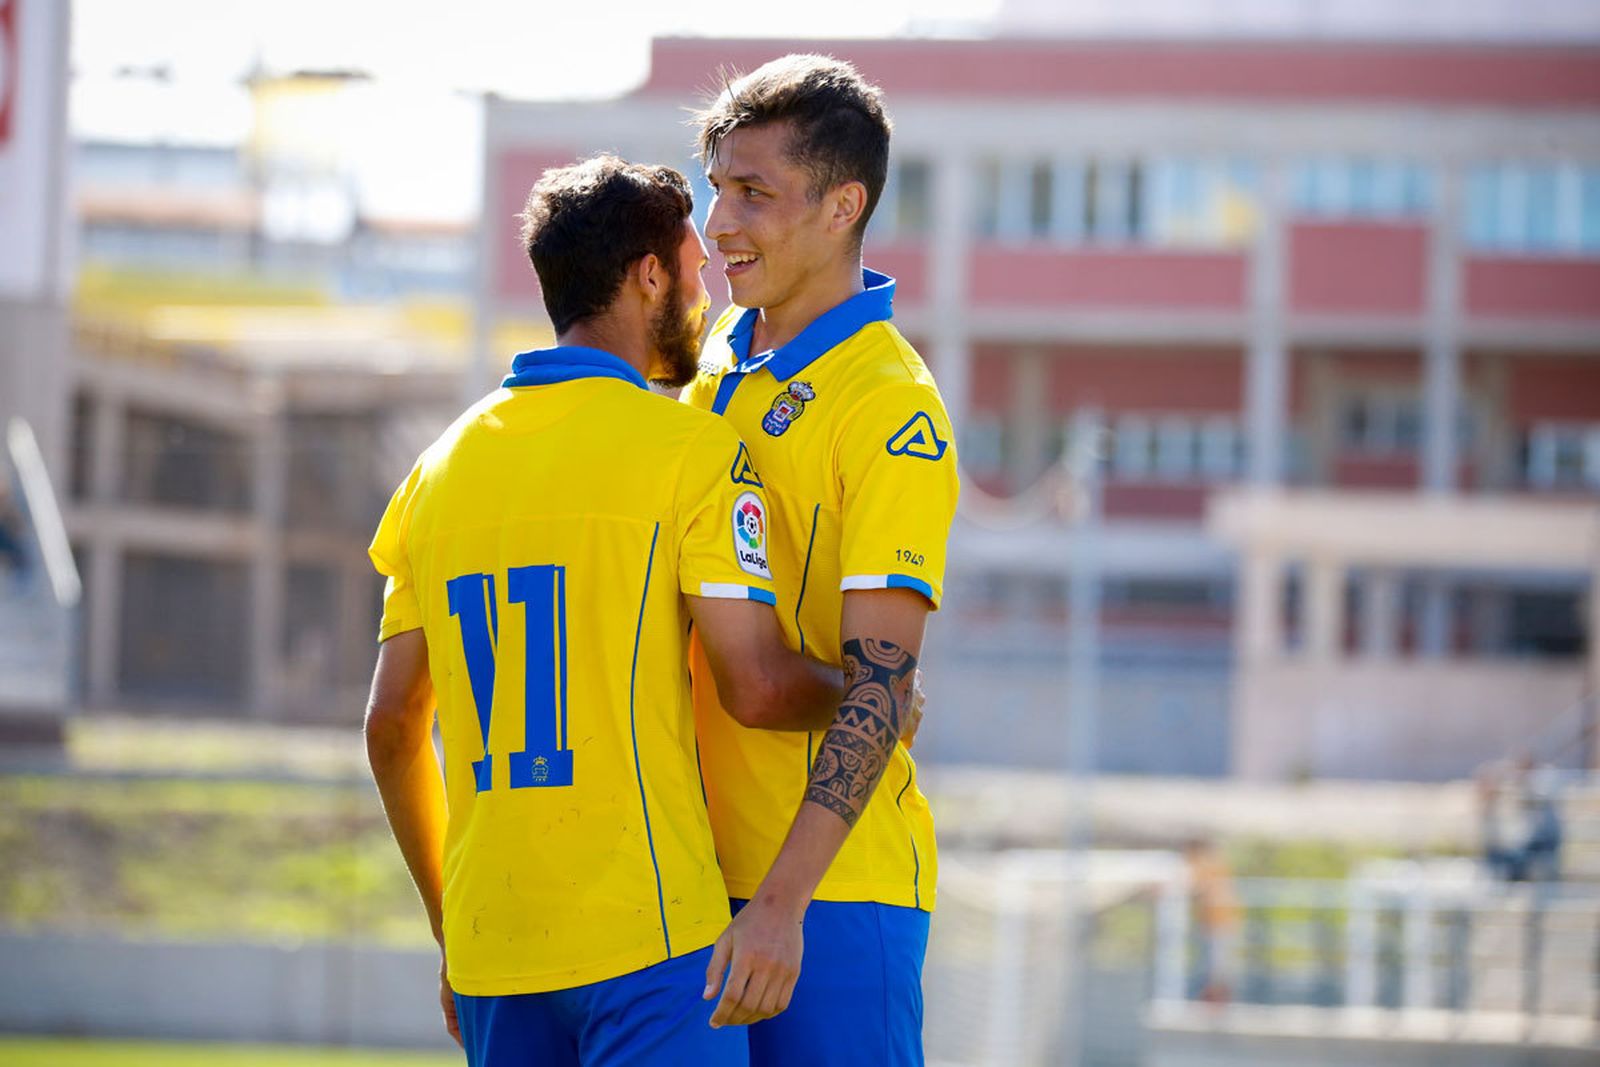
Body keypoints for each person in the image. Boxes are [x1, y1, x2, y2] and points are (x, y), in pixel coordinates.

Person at [364, 154, 850, 1067]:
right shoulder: (689, 451)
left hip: (492, 949)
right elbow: (754, 685)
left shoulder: (437, 470)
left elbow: (393, 724)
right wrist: (867, 694)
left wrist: (449, 931)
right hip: (651, 941)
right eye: (695, 272)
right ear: (650, 275)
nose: (707, 301)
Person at [682, 55, 961, 1065]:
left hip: (827, 900)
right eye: (716, 186)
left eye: (753, 192)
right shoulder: (716, 355)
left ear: (843, 205)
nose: (719, 222)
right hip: (688, 883)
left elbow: (884, 684)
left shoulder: (891, 407)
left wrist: (780, 906)